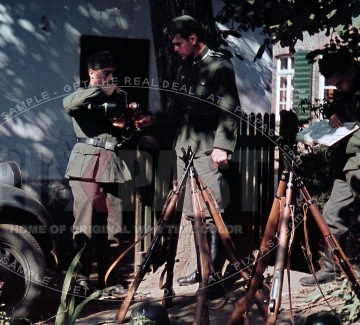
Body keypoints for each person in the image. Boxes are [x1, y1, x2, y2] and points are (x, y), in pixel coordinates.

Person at [135, 16, 241, 293]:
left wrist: (223, 146)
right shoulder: (185, 70)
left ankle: (214, 276)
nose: (175, 49)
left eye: (178, 43)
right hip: (185, 149)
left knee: (211, 212)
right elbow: (179, 112)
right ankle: (200, 269)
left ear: (193, 39)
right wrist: (154, 121)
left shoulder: (220, 66)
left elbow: (229, 110)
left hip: (208, 150)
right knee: (193, 214)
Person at [299, 51, 360, 286]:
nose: (339, 89)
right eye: (334, 86)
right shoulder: (348, 87)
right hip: (346, 165)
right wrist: (332, 116)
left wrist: (344, 138)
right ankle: (330, 269)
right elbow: (340, 111)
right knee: (332, 214)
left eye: (340, 83)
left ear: (351, 71)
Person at [64, 50, 130, 296]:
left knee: (112, 228)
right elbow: (70, 105)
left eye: (113, 73)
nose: (111, 77)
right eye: (106, 73)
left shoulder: (119, 96)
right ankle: (80, 280)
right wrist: (101, 90)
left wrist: (125, 128)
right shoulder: (81, 96)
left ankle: (108, 279)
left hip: (111, 164)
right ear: (92, 73)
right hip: (87, 165)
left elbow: (126, 134)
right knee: (85, 225)